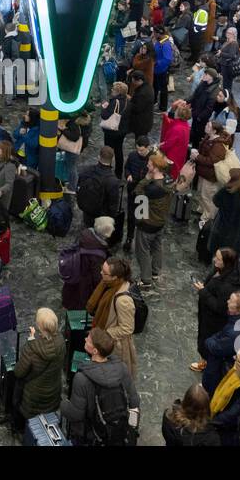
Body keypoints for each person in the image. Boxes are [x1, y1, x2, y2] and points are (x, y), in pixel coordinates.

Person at [61, 327, 140, 446]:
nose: (85, 339)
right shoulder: (122, 368)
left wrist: (62, 403)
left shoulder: (82, 378)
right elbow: (134, 401)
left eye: (88, 340)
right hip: (119, 433)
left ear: (95, 351)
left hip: (93, 437)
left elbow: (75, 415)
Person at [13, 308, 66, 444]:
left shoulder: (32, 349)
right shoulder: (61, 341)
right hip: (52, 390)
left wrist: (31, 340)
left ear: (39, 327)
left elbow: (19, 372)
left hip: (33, 396)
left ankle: (20, 430)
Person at [192, 248, 240, 371]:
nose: (214, 259)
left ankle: (207, 365)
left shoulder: (228, 285)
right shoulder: (221, 270)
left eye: (218, 259)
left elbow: (220, 307)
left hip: (214, 321)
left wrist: (203, 292)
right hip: (208, 315)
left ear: (226, 263)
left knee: (209, 344)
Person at [86, 258, 139, 378]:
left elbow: (127, 328)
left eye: (104, 273)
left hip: (113, 344)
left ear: (115, 277)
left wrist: (104, 334)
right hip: (104, 335)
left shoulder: (123, 301)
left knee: (110, 375)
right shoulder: (109, 284)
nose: (100, 273)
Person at [131, 151, 172, 287]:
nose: (147, 165)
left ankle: (146, 280)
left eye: (149, 164)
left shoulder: (152, 187)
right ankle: (155, 272)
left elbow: (137, 193)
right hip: (160, 222)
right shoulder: (168, 179)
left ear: (155, 167)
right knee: (157, 247)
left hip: (147, 223)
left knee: (142, 251)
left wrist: (146, 178)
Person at [199, 166, 240, 265]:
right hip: (237, 235)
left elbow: (215, 200)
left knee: (218, 258)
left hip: (222, 231)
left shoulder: (227, 192)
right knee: (230, 261)